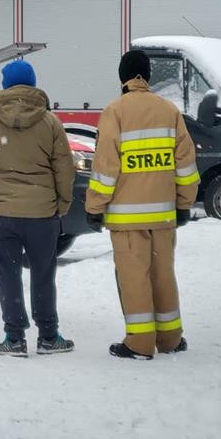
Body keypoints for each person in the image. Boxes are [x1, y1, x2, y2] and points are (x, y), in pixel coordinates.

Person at [84, 50, 199, 360]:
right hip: (163, 215)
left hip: (127, 219)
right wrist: (184, 203)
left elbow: (107, 166)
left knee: (135, 278)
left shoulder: (115, 112)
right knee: (163, 276)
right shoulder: (168, 111)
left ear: (123, 77)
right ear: (148, 76)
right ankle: (171, 338)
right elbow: (186, 164)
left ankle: (140, 343)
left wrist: (95, 206)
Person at [0, 60, 76, 357]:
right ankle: (49, 336)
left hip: (0, 214)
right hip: (42, 214)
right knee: (43, 273)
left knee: (7, 275)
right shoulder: (49, 122)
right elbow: (64, 167)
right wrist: (62, 204)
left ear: (5, 85)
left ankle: (14, 338)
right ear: (32, 83)